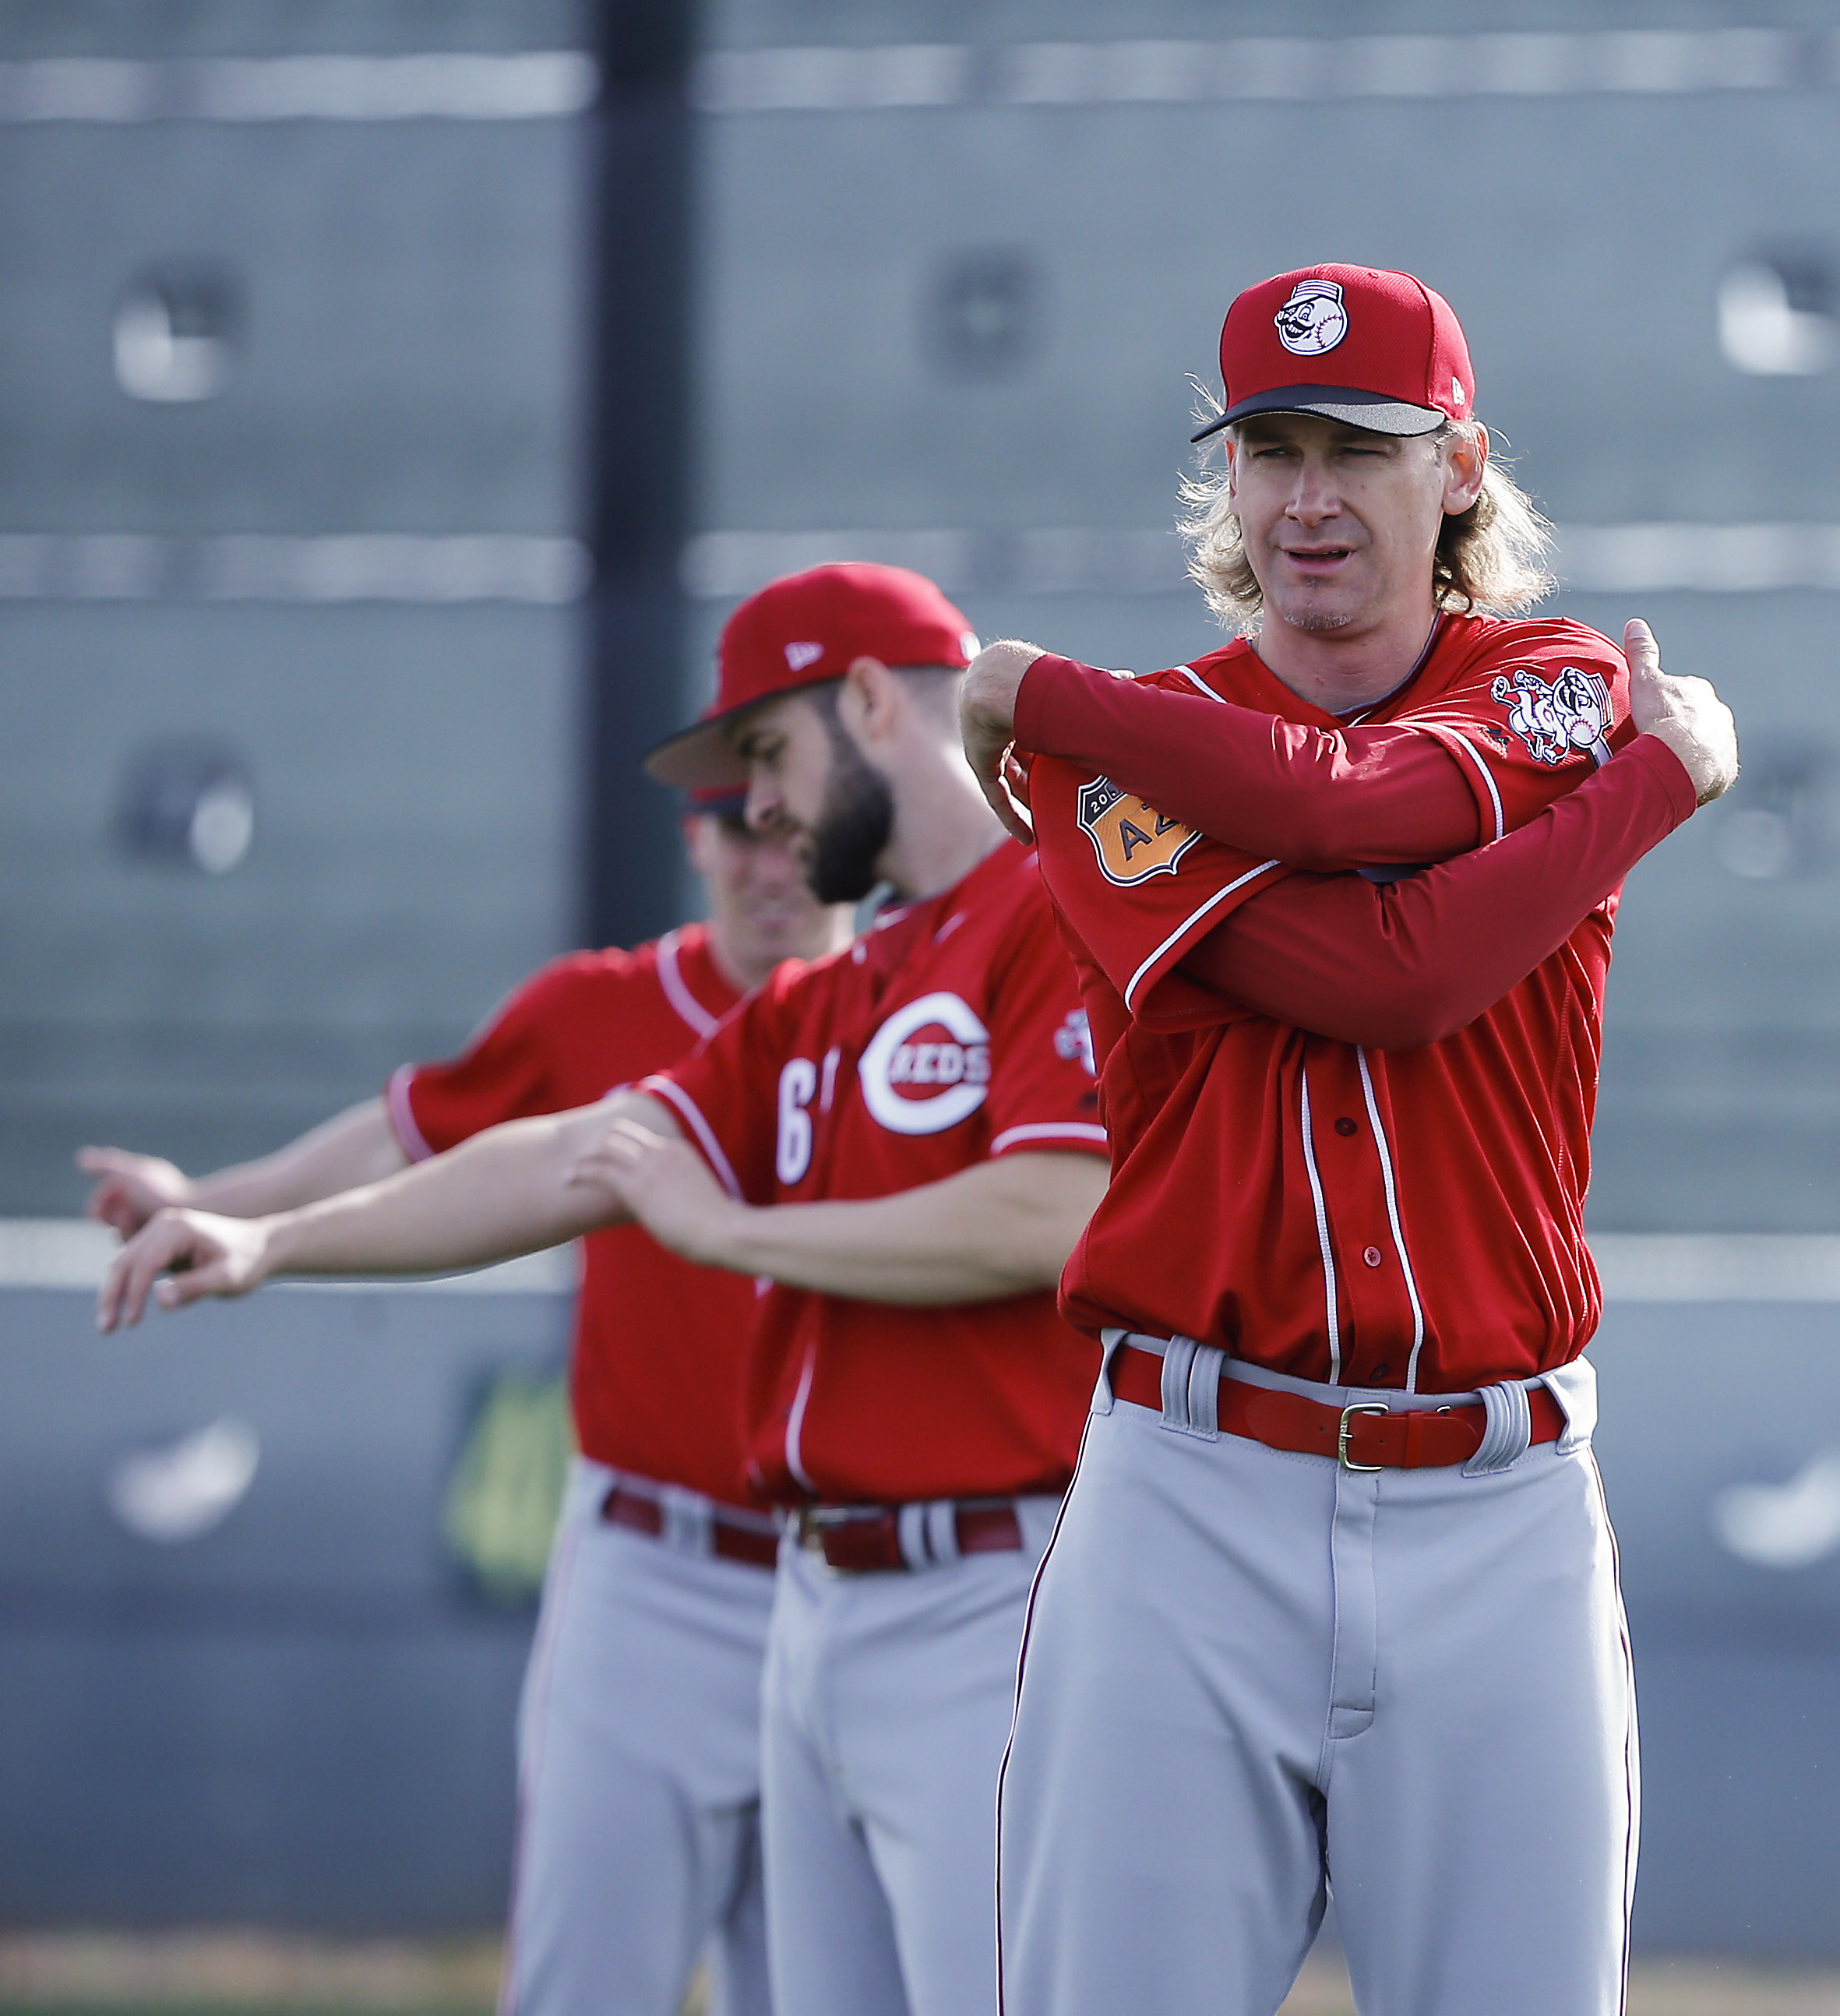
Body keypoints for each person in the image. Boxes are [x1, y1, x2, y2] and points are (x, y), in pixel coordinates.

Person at [99, 562, 1110, 2016]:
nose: (757, 809)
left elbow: (1053, 1212)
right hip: (810, 1599)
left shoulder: (1051, 911)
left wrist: (735, 1234)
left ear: (876, 701)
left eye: (769, 754)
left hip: (992, 1597)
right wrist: (276, 1241)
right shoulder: (843, 989)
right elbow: (580, 1150)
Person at [957, 262, 1736, 2016]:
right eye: (1269, 449)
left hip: (1497, 1499)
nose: (1306, 498)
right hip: (1186, 1490)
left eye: (1359, 449)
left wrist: (1029, 687)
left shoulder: (1548, 681)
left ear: (1456, 466)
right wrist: (1644, 801)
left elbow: (1386, 889)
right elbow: (1387, 958)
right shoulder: (1128, 751)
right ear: (1225, 481)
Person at [77, 788, 847, 2016]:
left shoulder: (924, 1004)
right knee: (585, 1986)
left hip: (860, 1576)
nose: (776, 862)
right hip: (659, 1563)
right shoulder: (602, 1005)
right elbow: (412, 1133)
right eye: (743, 822)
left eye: (804, 822)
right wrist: (225, 1204)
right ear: (695, 835)